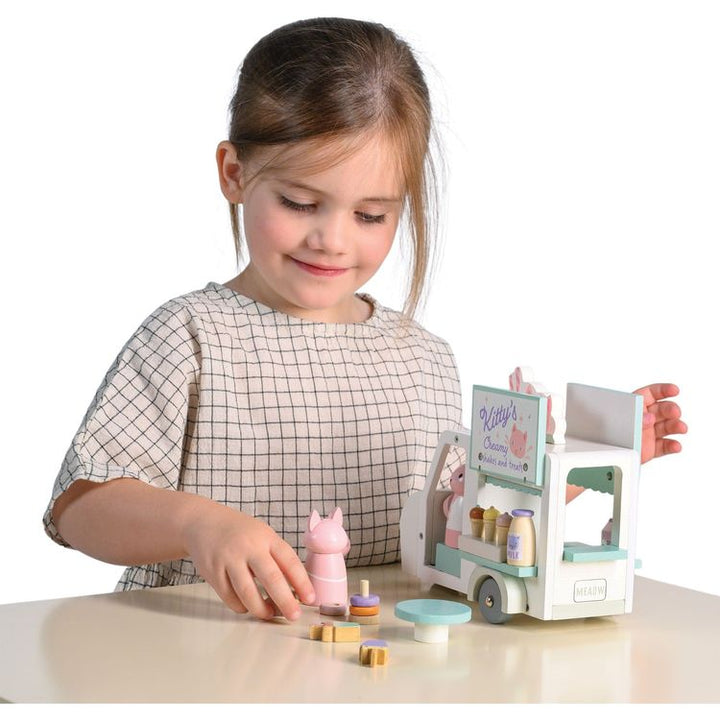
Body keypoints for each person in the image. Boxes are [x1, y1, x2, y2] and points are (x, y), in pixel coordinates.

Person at [44, 17, 687, 623]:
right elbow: (78, 508)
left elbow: (467, 516)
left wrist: (588, 466)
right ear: (234, 174)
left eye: (370, 215)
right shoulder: (190, 337)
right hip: (200, 658)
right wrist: (197, 524)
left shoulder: (422, 357)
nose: (332, 239)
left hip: (369, 662)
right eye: (300, 202)